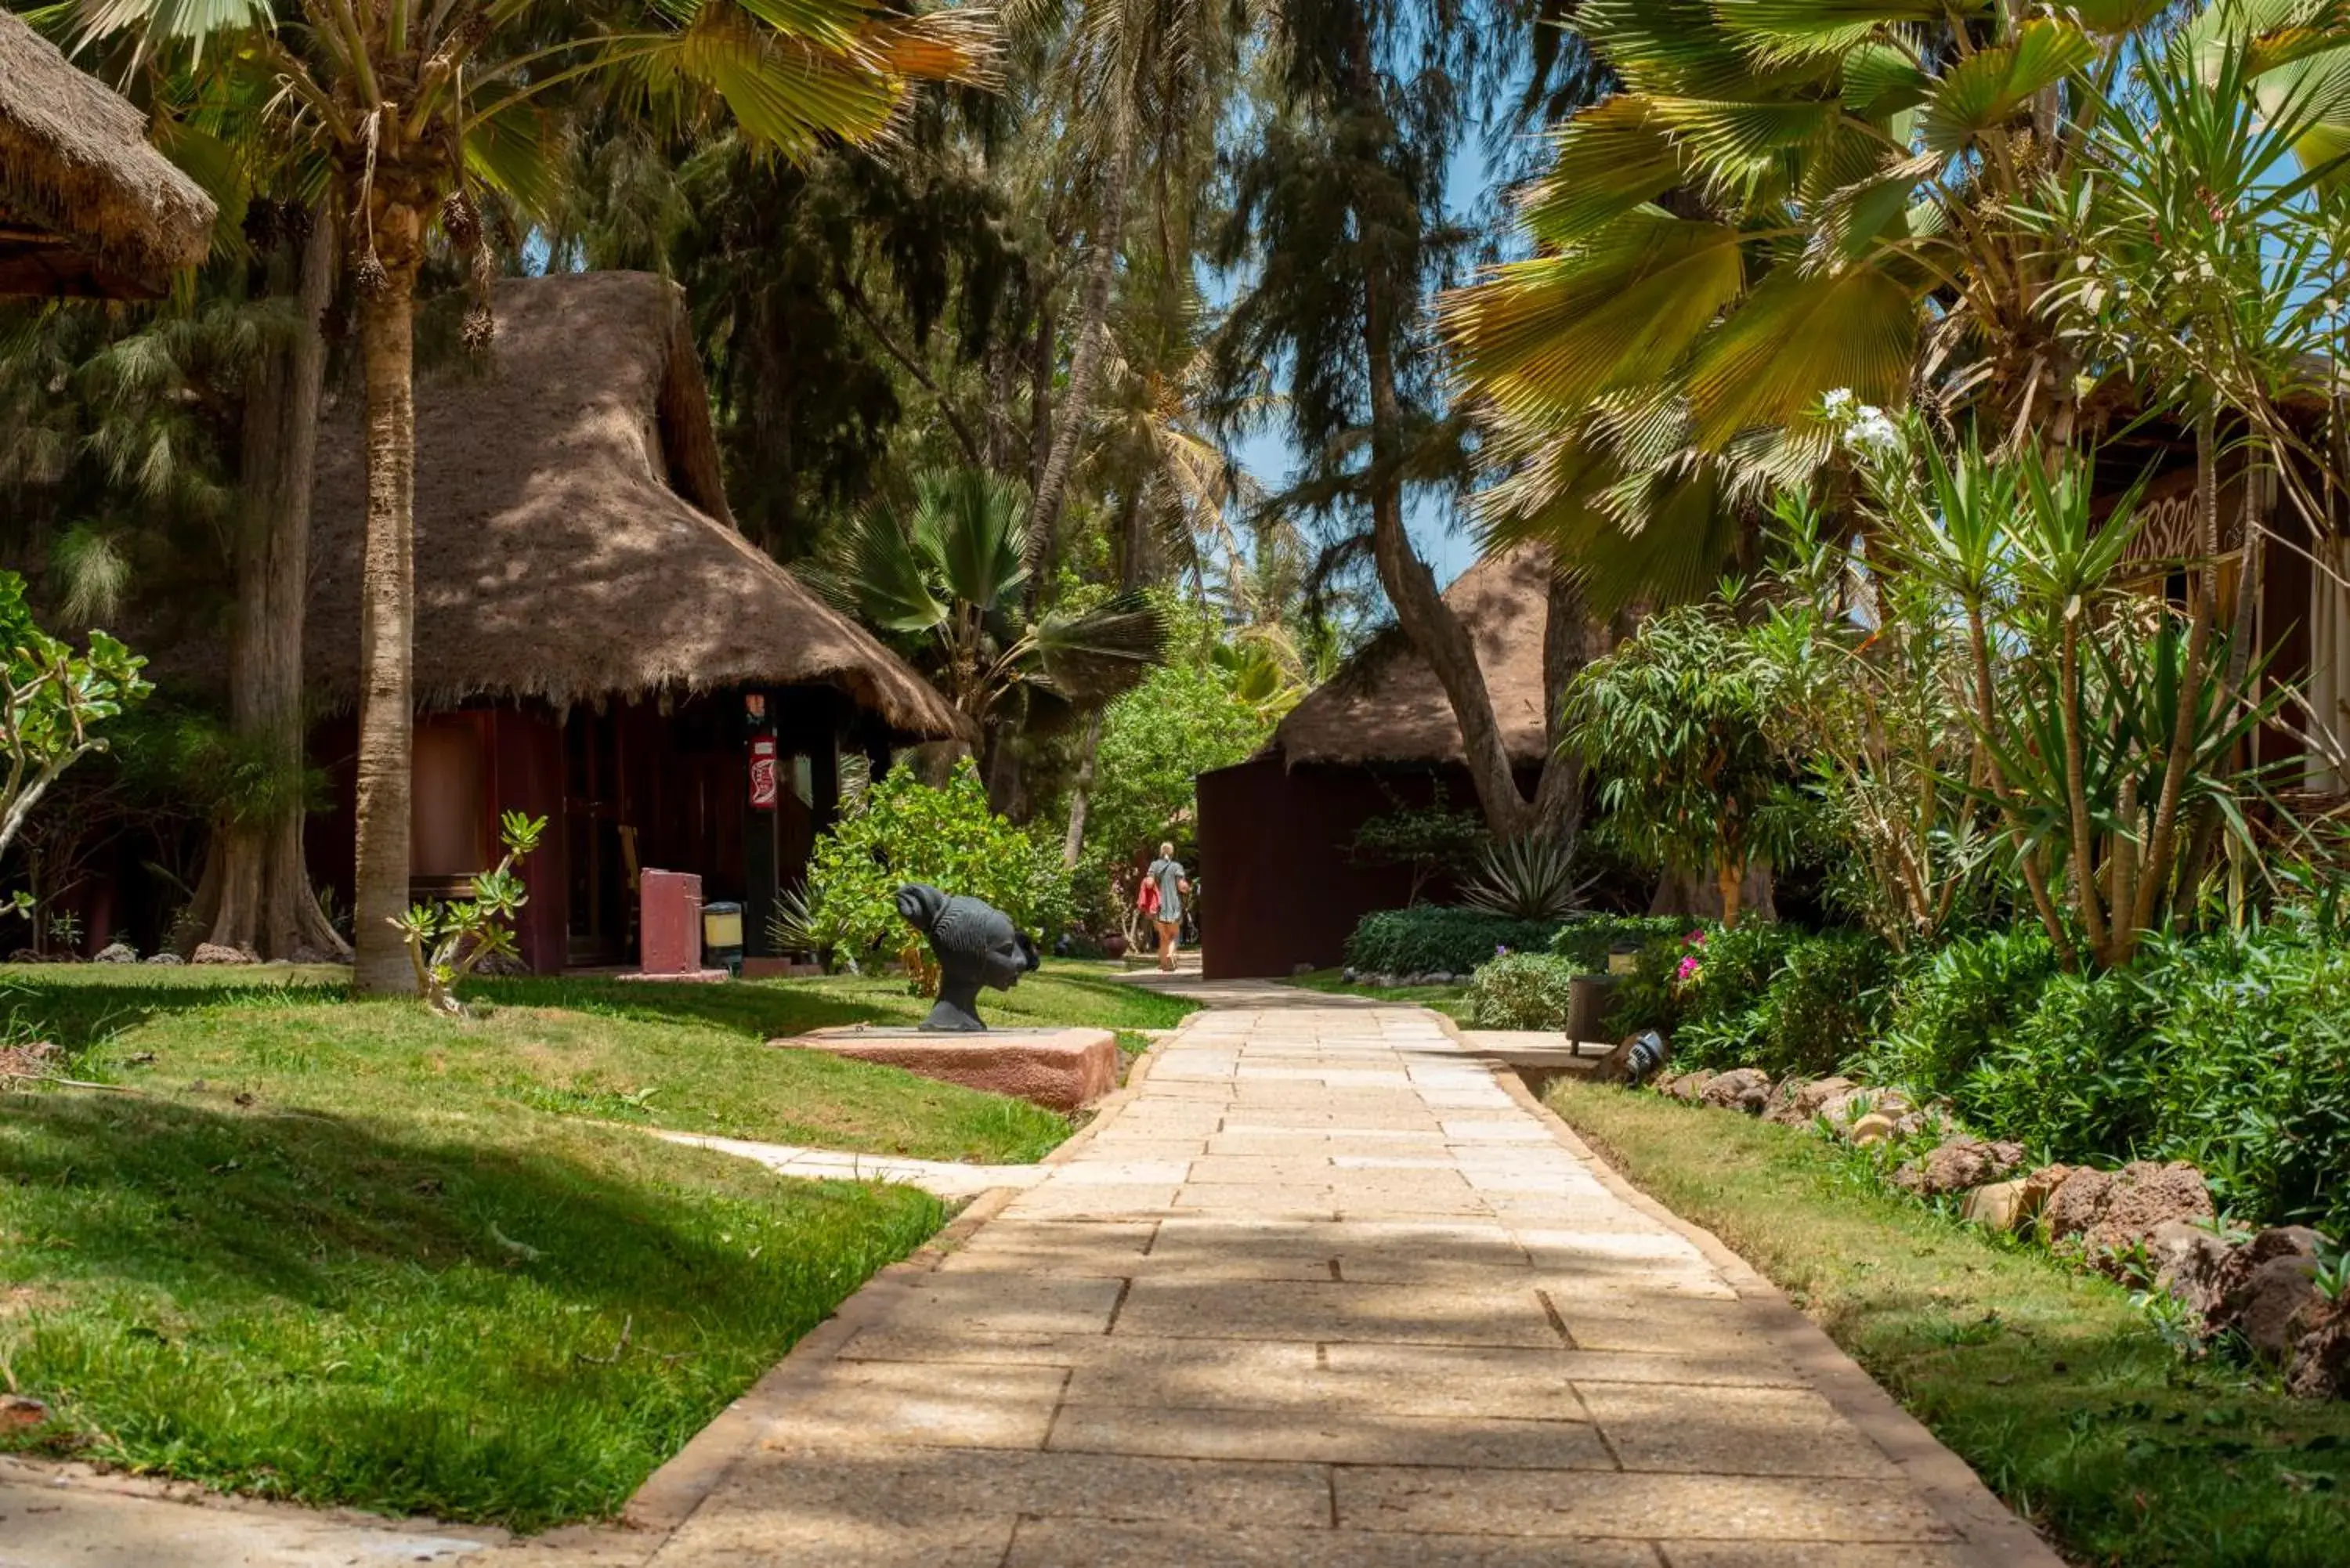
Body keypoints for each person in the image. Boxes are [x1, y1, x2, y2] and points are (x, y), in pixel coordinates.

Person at [1145, 841, 1190, 973]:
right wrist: (1187, 888)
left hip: (1159, 906)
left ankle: (1164, 963)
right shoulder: (1177, 867)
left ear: (1161, 851)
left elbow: (1149, 884)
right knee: (1174, 934)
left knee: (1163, 936)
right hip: (1174, 905)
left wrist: (1148, 880)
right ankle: (1170, 954)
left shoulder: (1154, 866)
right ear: (1172, 852)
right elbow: (1182, 887)